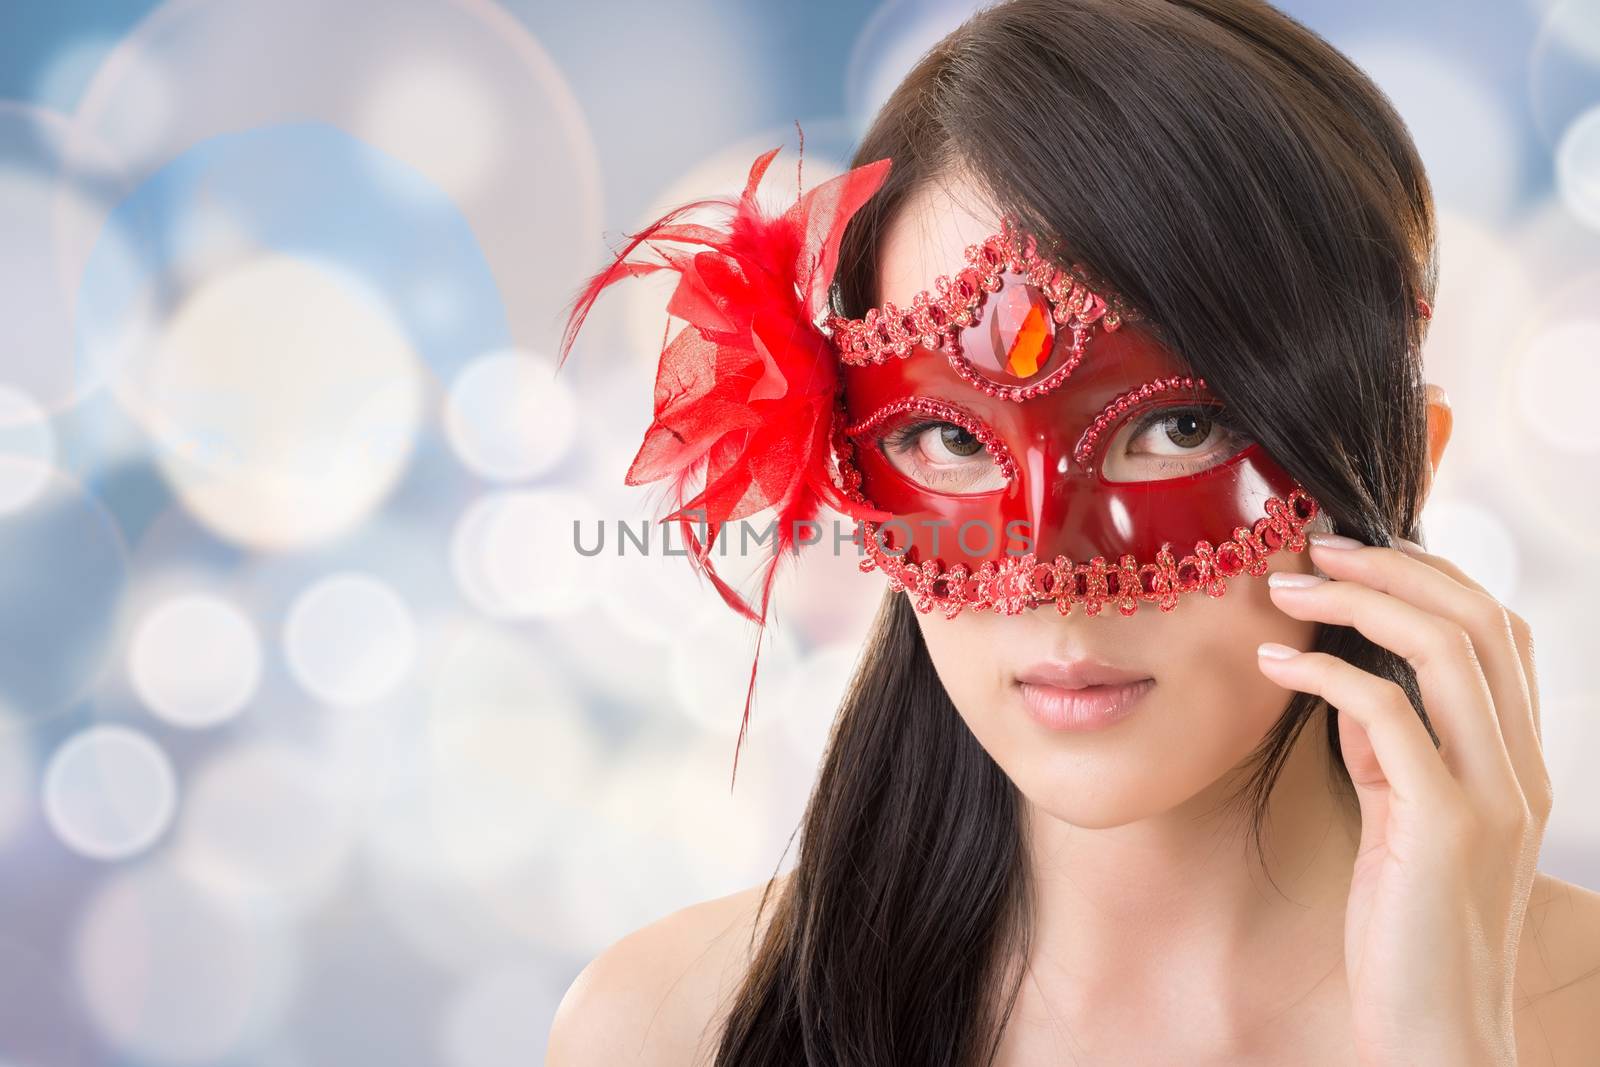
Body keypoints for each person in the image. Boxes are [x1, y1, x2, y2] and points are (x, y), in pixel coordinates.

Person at [546, 0, 1600, 1063]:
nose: (1046, 572)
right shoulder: (664, 1027)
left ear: (1402, 460)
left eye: (1179, 427)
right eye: (947, 439)